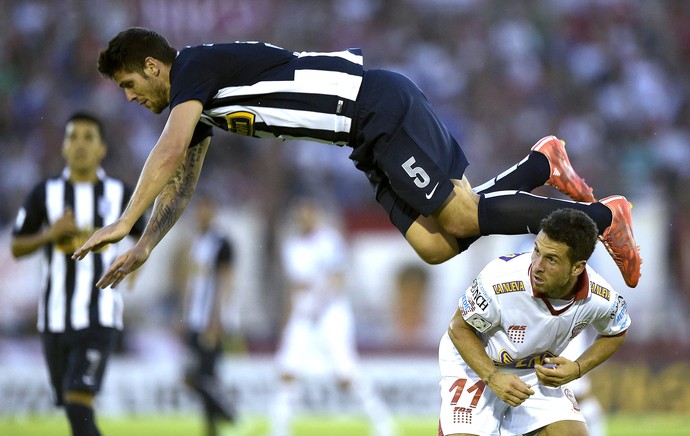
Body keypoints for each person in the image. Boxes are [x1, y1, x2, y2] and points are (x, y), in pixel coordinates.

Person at [72, 27, 641, 290]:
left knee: (462, 218)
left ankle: (607, 219)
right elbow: (180, 176)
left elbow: (167, 150)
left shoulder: (192, 65)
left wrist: (123, 221)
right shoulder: (196, 108)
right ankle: (542, 166)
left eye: (127, 83)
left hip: (373, 106)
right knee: (436, 246)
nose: (129, 98)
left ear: (152, 66)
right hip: (361, 139)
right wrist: (145, 243)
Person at [10, 112, 146, 436]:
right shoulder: (44, 194)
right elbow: (16, 246)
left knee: (77, 400)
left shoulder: (122, 194)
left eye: (89, 137)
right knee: (75, 409)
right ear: (63, 147)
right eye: (73, 137)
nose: (80, 144)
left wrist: (133, 268)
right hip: (54, 319)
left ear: (102, 149)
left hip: (99, 316)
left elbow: (144, 238)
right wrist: (48, 235)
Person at [437, 208, 630, 436]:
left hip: (534, 374)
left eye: (551, 259)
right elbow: (458, 327)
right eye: (536, 251)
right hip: (477, 366)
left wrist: (578, 368)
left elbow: (617, 331)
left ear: (577, 267)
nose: (537, 265)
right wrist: (493, 377)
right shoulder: (500, 278)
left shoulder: (600, 297)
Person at [271, 199, 394, 436]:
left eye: (307, 211)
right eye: (299, 212)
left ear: (315, 213)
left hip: (330, 312)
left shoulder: (328, 240)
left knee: (345, 372)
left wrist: (318, 305)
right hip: (303, 313)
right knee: (288, 368)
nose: (303, 216)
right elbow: (294, 287)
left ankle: (381, 422)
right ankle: (279, 428)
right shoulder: (292, 246)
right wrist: (287, 321)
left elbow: (336, 279)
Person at [177, 194, 237, 436]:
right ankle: (214, 425)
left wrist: (215, 320)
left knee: (205, 376)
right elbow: (192, 283)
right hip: (194, 319)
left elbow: (224, 282)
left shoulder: (222, 243)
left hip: (211, 321)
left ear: (213, 211)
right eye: (198, 209)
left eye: (204, 208)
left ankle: (228, 416)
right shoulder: (197, 242)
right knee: (194, 377)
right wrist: (182, 315)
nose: (200, 213)